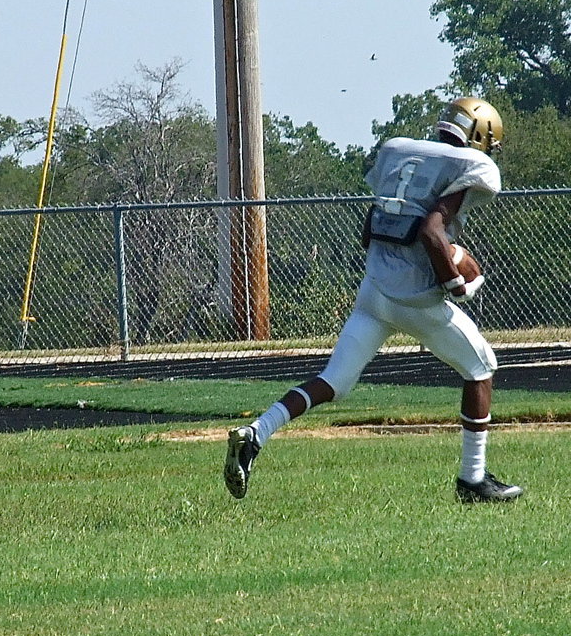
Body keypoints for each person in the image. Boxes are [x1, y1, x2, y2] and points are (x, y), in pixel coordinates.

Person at [224, 97, 523, 504]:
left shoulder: (400, 150)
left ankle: (256, 433)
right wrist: (455, 282)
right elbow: (432, 232)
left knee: (334, 381)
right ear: (479, 136)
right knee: (480, 367)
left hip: (374, 290)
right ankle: (473, 480)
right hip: (414, 298)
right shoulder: (471, 165)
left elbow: (372, 225)